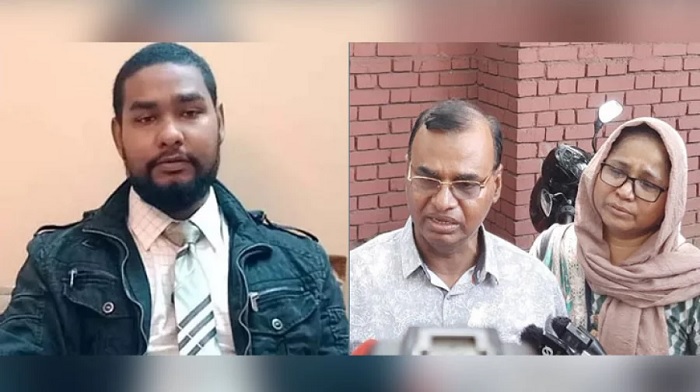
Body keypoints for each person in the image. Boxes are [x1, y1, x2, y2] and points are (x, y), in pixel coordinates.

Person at [0, 42, 348, 355]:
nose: (170, 135)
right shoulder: (55, 264)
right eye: (146, 118)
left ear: (220, 123)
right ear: (118, 135)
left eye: (190, 112)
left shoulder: (302, 263)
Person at [349, 99, 567, 351]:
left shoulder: (534, 287)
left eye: (466, 185)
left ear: (495, 186)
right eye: (427, 179)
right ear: (407, 173)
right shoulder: (353, 285)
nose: (443, 202)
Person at [530, 117, 700, 355]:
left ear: (670, 200)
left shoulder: (690, 284)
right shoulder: (552, 247)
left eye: (648, 184)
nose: (625, 191)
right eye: (616, 171)